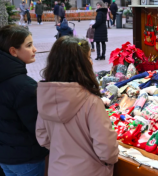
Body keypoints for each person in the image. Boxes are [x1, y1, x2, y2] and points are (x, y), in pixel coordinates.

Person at [36, 36, 118, 176]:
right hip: (90, 170)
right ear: (81, 64)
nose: (91, 61)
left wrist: (64, 150)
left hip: (57, 169)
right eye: (88, 57)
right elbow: (107, 149)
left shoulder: (46, 97)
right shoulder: (91, 102)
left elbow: (43, 137)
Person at [0, 25, 49, 176]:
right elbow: (38, 127)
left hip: (5, 157)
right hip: (26, 159)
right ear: (13, 51)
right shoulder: (24, 86)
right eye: (29, 45)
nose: (34, 49)